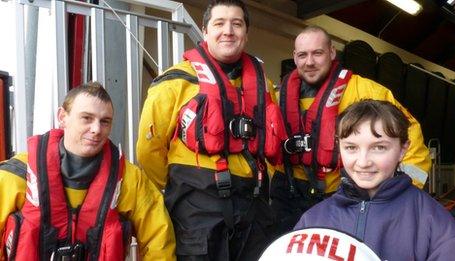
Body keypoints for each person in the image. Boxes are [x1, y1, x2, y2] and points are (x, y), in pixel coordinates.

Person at [136, 0, 286, 260]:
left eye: (236, 24)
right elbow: (148, 150)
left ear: (246, 34)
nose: (228, 31)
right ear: (205, 32)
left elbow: (271, 146)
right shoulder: (174, 83)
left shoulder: (265, 86)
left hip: (254, 209)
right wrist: (181, 188)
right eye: (219, 23)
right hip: (196, 212)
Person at [270, 25, 431, 235]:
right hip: (287, 198)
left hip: (343, 198)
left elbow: (409, 132)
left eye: (317, 53)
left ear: (331, 52)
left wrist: (402, 192)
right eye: (302, 55)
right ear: (295, 57)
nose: (309, 62)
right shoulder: (279, 95)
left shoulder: (366, 91)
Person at [0, 82, 176, 260]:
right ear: (62, 117)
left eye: (105, 121)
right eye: (86, 118)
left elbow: (158, 239)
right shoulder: (18, 173)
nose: (96, 129)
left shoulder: (129, 179)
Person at [294, 99, 455, 260]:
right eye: (351, 147)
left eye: (379, 147)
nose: (363, 162)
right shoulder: (313, 220)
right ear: (339, 147)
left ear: (403, 149)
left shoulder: (433, 222)